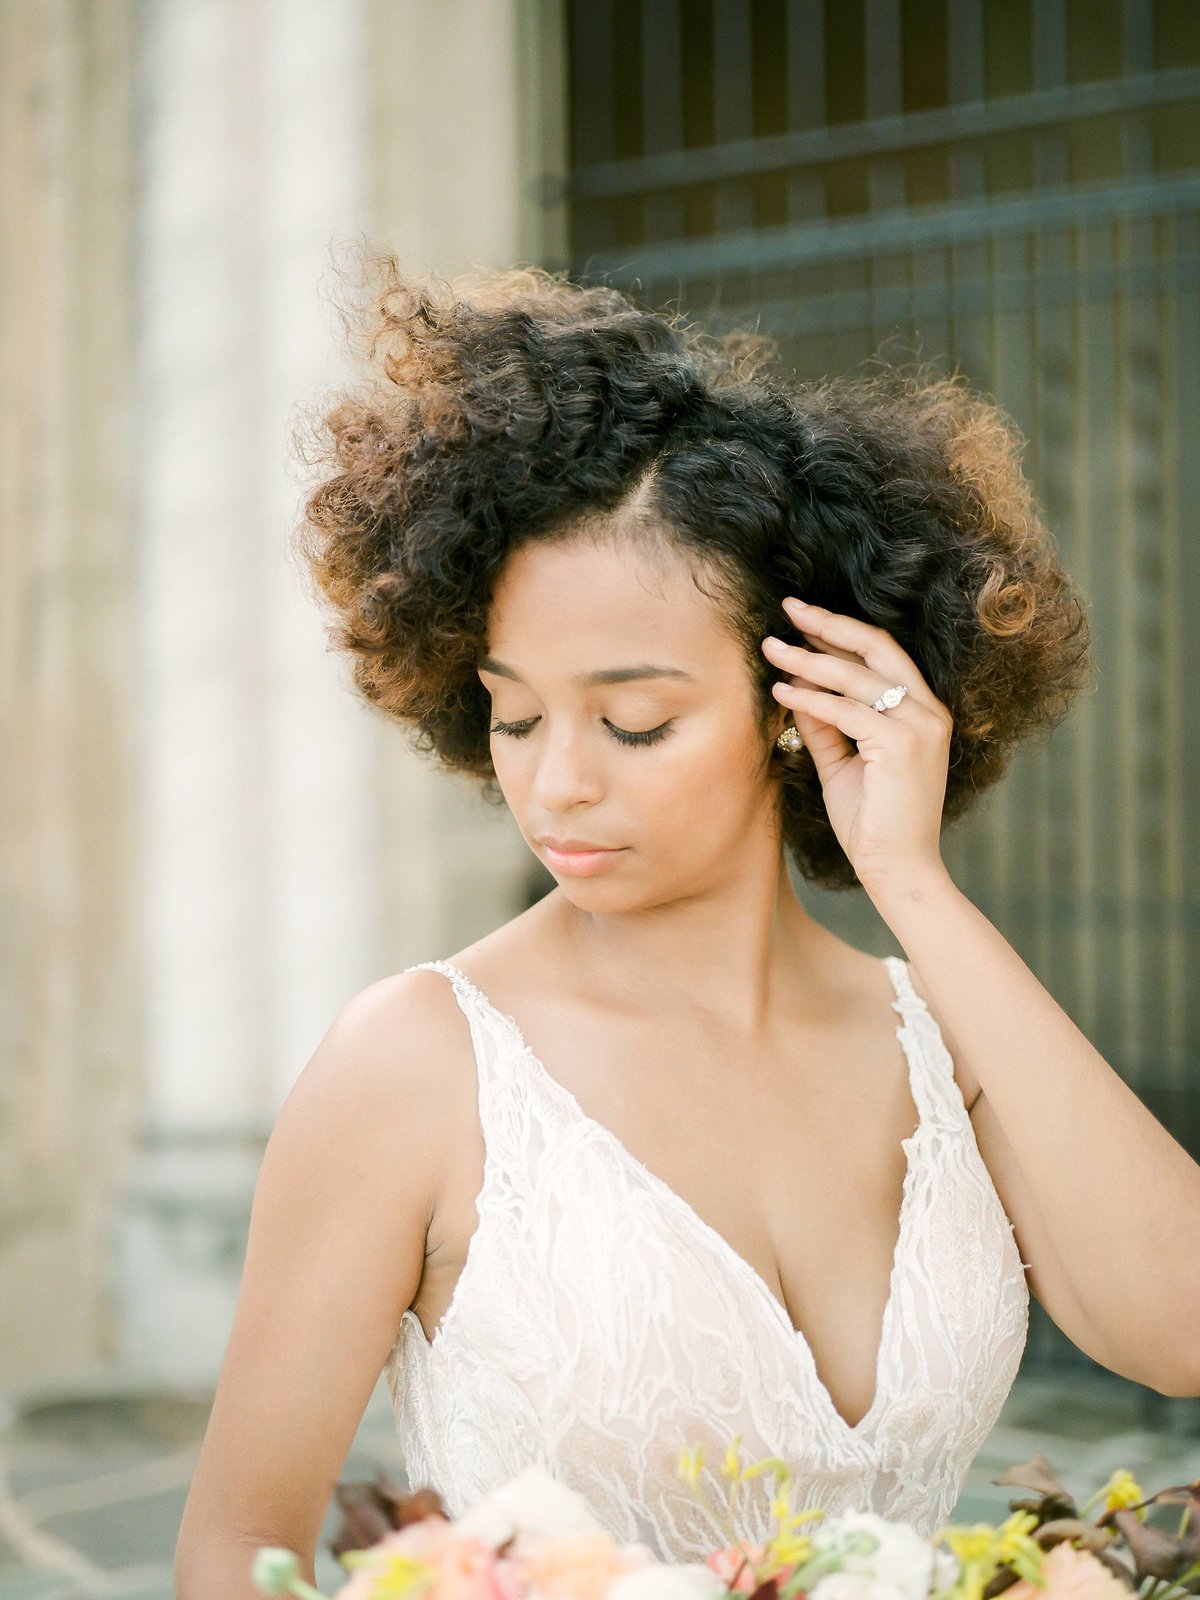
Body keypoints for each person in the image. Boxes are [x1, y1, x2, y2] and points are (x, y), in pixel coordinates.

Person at [174, 261, 1200, 1593]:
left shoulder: (944, 1035)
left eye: (635, 721)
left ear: (799, 697)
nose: (557, 784)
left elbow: (1181, 1327)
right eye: (518, 714)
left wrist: (915, 883)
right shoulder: (413, 1066)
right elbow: (229, 1554)